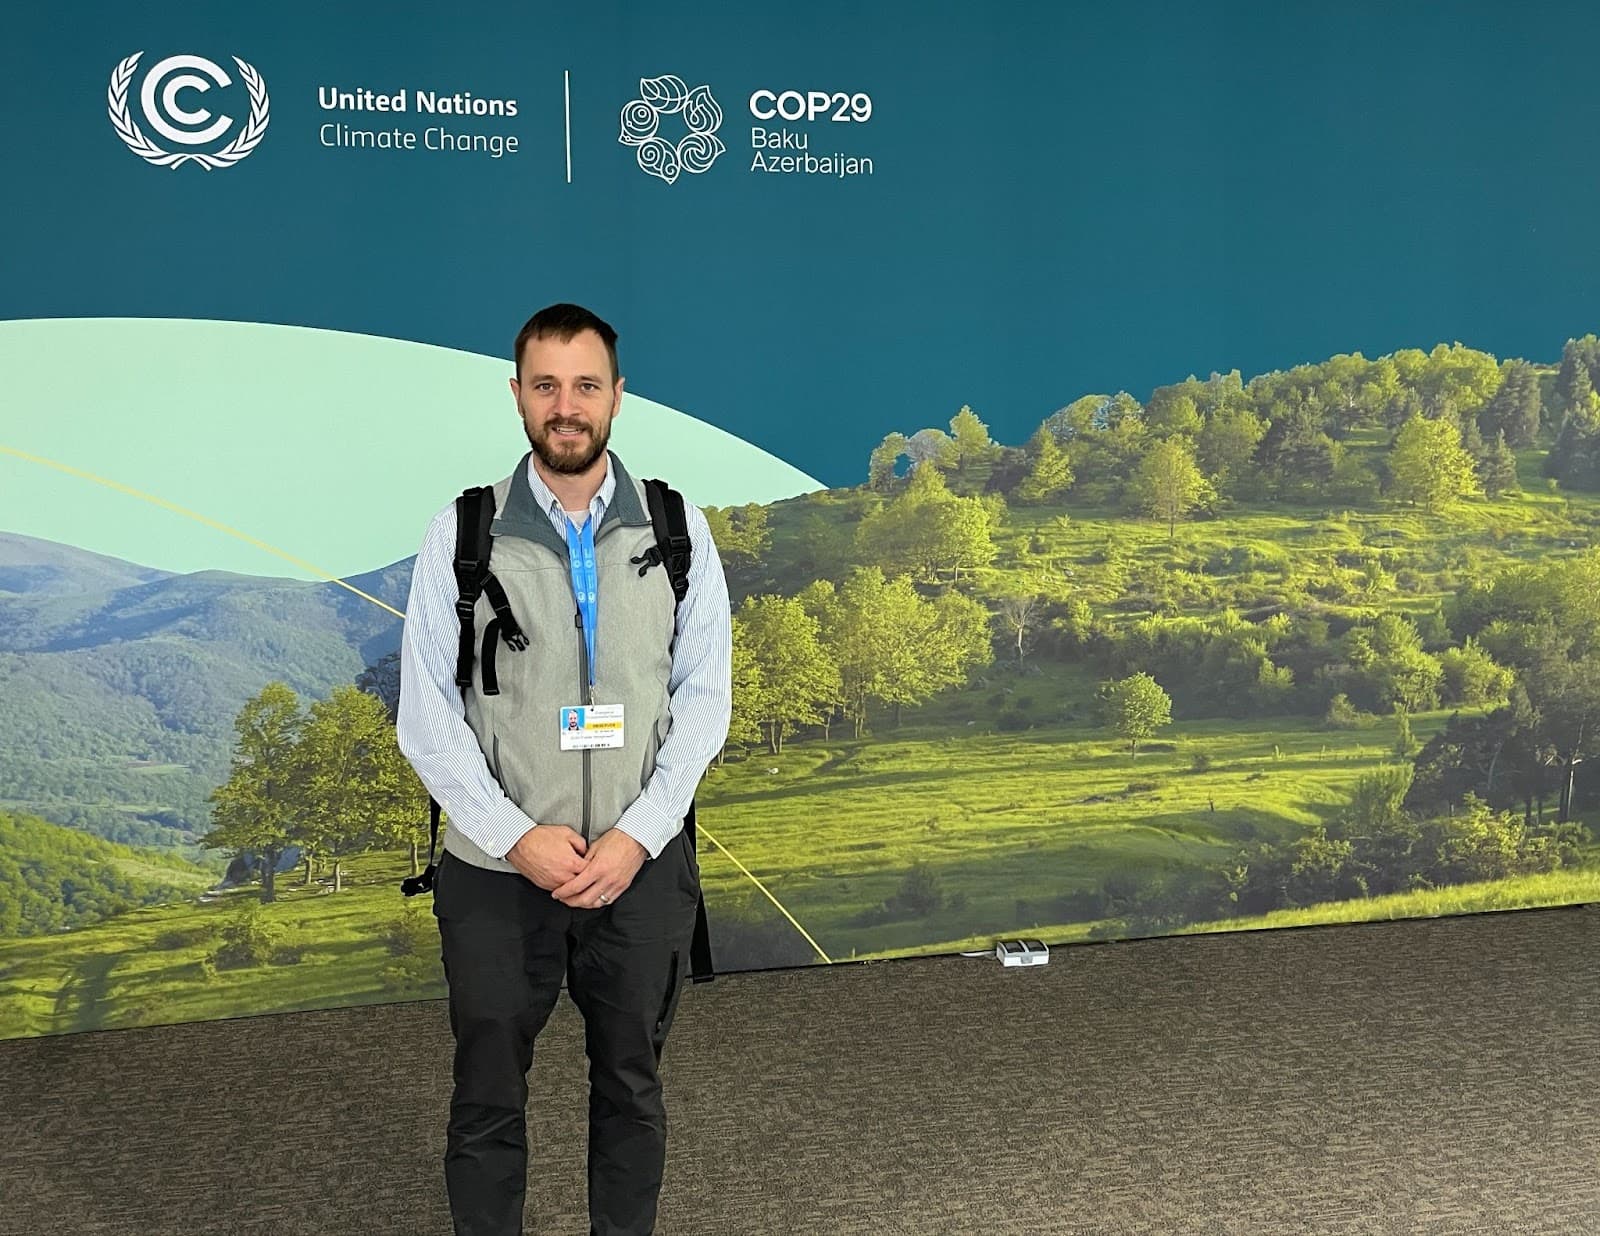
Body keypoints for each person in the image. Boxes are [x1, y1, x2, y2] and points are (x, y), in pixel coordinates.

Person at [396, 302, 732, 1236]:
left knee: (631, 1087)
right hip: (499, 874)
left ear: (618, 397)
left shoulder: (676, 528)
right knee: (488, 1096)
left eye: (586, 385)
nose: (566, 406)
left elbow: (704, 704)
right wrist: (516, 839)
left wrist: (636, 836)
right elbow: (426, 719)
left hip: (639, 866)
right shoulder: (460, 535)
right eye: (545, 386)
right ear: (517, 397)